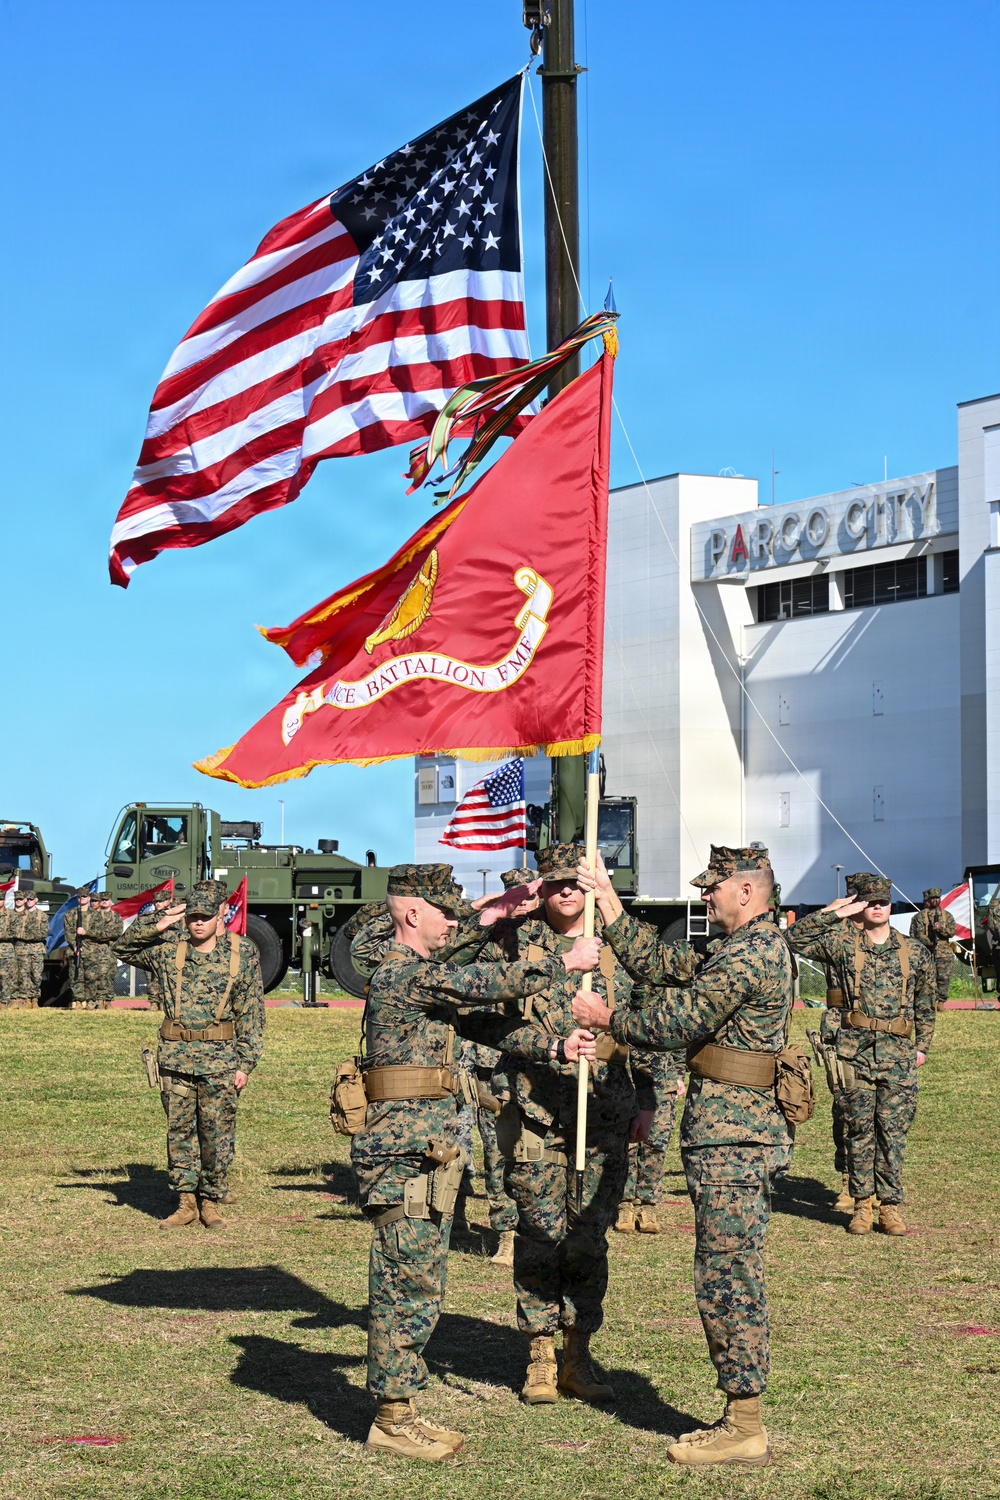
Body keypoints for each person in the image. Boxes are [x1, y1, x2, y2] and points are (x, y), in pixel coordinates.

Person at [351, 862, 600, 1462]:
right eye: (445, 914)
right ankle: (390, 1417)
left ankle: (402, 1408)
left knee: (423, 1279)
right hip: (404, 1153)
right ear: (412, 913)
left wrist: (555, 1044)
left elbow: (489, 1026)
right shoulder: (402, 974)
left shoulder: (426, 978)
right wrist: (559, 963)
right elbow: (486, 986)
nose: (453, 925)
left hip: (427, 1150)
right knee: (404, 1281)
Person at [572, 844, 793, 1469]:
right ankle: (739, 1412)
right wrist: (609, 901)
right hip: (726, 1131)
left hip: (736, 1137)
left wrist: (606, 1016)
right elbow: (663, 961)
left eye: (713, 889)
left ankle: (743, 1421)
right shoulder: (732, 946)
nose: (704, 898)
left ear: (746, 892)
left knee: (727, 1276)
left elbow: (677, 1018)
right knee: (724, 1269)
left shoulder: (751, 952)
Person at [457, 843, 653, 1408]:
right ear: (542, 886)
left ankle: (577, 1353)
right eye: (557, 882)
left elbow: (651, 1023)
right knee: (539, 1235)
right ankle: (539, 1355)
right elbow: (478, 1011)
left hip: (605, 1112)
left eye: (577, 882)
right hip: (537, 1112)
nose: (567, 892)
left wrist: (647, 1101)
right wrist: (495, 915)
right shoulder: (516, 943)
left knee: (589, 1238)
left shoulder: (619, 944)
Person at [787, 873, 935, 1237]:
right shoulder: (840, 943)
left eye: (883, 901)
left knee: (893, 1132)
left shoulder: (913, 950)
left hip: (898, 1054)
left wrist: (922, 1048)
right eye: (870, 902)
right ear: (860, 906)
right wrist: (835, 912)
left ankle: (890, 1206)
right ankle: (862, 1205)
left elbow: (926, 1004)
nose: (878, 907)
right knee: (858, 1129)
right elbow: (793, 938)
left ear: (891, 905)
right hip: (854, 1052)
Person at [112, 887, 264, 1230]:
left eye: (205, 917)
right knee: (179, 1132)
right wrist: (160, 922)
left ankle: (210, 1200)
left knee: (216, 1133)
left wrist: (246, 1063)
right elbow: (122, 947)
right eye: (193, 917)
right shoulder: (169, 951)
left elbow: (251, 1013)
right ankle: (185, 1202)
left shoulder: (242, 954)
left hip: (220, 1061)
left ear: (219, 916)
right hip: (176, 1058)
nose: (197, 924)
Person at [616, 1034, 683, 1234]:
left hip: (662, 1081)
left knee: (656, 1144)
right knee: (627, 1144)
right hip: (627, 1077)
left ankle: (648, 1205)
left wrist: (679, 1072)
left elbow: (679, 1034)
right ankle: (625, 1204)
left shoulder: (666, 1003)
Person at [909, 889, 957, 1011]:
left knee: (944, 978)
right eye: (932, 898)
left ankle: (941, 1002)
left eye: (937, 898)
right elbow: (916, 934)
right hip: (926, 952)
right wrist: (929, 943)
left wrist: (941, 928)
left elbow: (952, 932)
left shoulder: (947, 916)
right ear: (927, 900)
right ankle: (927, 1001)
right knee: (926, 978)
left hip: (944, 951)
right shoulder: (919, 917)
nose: (935, 901)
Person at [13, 887, 50, 1007]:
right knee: (23, 975)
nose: (29, 901)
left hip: (36, 950)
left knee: (36, 975)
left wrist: (24, 936)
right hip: (22, 950)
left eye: (31, 899)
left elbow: (43, 933)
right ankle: (25, 999)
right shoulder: (18, 915)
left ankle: (34, 998)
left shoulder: (42, 916)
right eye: (27, 899)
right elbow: (15, 931)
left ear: (36, 900)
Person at [0, 894, 16, 1006]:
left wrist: (2, 934)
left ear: (4, 900)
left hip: (5, 950)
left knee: (6, 976)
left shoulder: (11, 915)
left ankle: (4, 1001)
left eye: (0, 899)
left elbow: (16, 931)